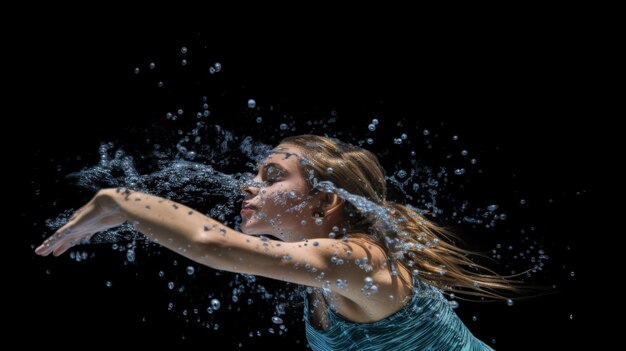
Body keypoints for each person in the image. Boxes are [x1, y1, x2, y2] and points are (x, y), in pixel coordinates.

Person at [36, 134, 513, 350]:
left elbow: (209, 243)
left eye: (271, 175)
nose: (248, 185)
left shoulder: (355, 257)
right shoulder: (326, 269)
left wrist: (119, 201)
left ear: (325, 202)